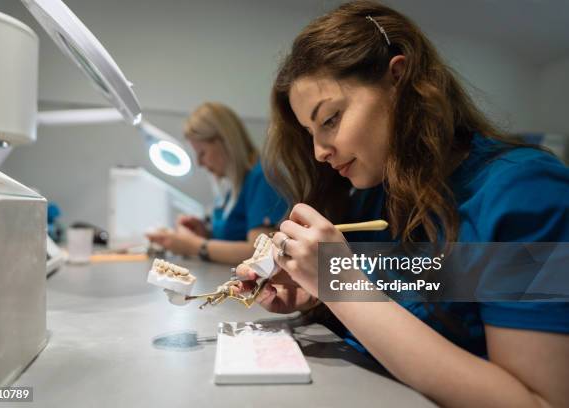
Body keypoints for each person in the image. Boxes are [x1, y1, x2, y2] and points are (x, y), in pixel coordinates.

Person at [236, 1, 569, 406]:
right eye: (309, 132)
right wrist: (316, 294)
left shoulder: (523, 190)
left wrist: (339, 284)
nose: (319, 152)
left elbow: (539, 402)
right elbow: (404, 299)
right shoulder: (377, 194)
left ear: (399, 79)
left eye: (330, 120)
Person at [147, 102, 287, 264]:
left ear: (224, 142)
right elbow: (235, 236)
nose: (199, 163)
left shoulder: (262, 177)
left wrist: (193, 245)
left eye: (202, 153)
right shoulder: (234, 188)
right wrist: (204, 233)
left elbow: (260, 253)